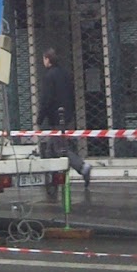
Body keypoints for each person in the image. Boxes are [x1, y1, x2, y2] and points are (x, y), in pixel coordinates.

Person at [37, 47, 92, 185]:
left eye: (44, 58)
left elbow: (46, 99)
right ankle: (53, 178)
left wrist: (40, 118)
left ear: (47, 59)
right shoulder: (65, 74)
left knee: (59, 147)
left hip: (55, 118)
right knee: (51, 148)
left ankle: (82, 167)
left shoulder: (49, 76)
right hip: (66, 116)